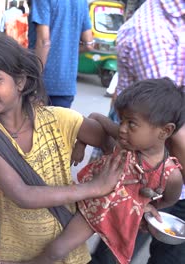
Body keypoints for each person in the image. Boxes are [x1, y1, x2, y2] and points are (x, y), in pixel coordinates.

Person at [0, 35, 125, 263]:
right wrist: (95, 188)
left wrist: (83, 142)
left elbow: (118, 146)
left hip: (71, 251)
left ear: (20, 81)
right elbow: (22, 195)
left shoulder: (60, 120)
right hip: (18, 253)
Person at [32, 78, 184, 264]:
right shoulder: (124, 143)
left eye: (132, 123)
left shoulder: (170, 174)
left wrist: (149, 206)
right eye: (122, 121)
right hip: (92, 207)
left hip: (122, 221)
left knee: (111, 260)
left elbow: (170, 199)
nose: (122, 129)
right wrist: (80, 145)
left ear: (165, 131)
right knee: (56, 250)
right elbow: (95, 116)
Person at [91, 1, 185, 263]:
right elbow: (167, 121)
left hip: (156, 187)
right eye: (123, 122)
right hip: (144, 181)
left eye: (127, 124)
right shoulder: (152, 31)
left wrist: (154, 205)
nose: (121, 130)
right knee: (117, 243)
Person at [28, 0, 93, 108]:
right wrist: (67, 50)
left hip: (43, 83)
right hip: (67, 84)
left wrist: (35, 80)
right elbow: (88, 44)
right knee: (60, 124)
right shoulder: (82, 2)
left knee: (36, 123)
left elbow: (44, 42)